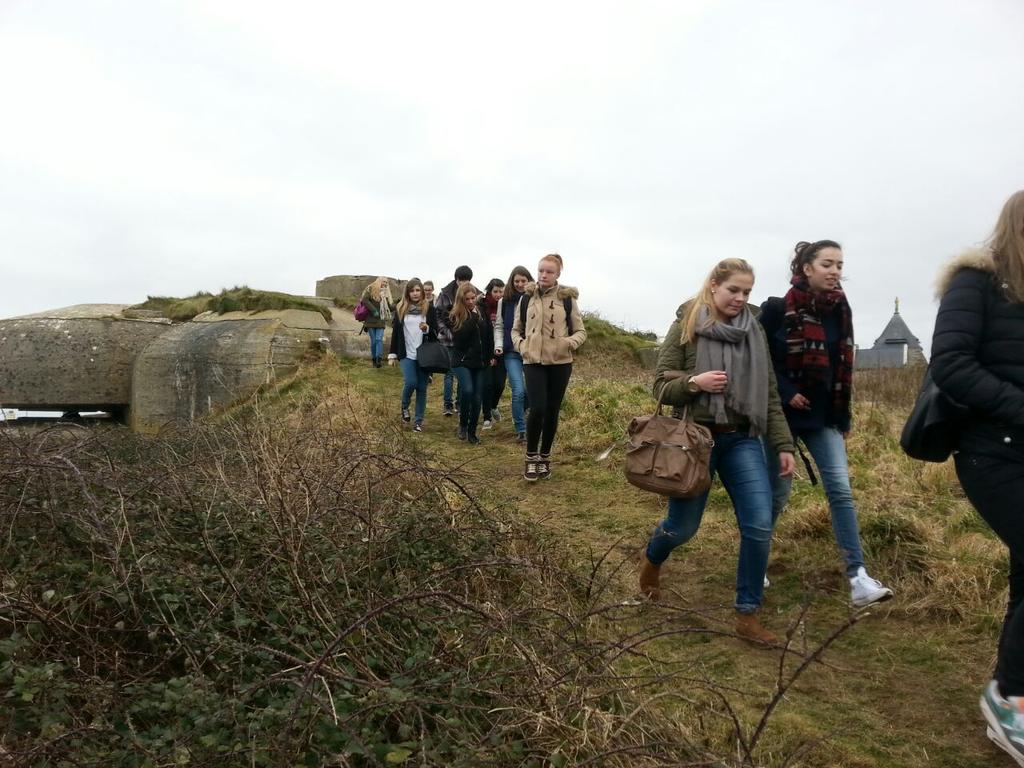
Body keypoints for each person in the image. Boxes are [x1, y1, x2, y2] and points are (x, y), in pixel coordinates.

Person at [639, 258, 795, 645]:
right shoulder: (687, 324)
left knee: (758, 524)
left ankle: (747, 613)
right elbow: (659, 387)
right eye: (733, 290)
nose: (740, 298)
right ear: (714, 285)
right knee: (682, 529)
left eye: (747, 292)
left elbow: (769, 394)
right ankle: (652, 559)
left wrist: (783, 445)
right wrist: (695, 383)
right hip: (694, 442)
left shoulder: (754, 330)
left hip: (743, 438)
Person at [930, 190, 1024, 764]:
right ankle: (1007, 698)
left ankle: (1012, 697)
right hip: (993, 453)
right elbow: (951, 363)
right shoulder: (977, 282)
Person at [759, 240, 893, 608]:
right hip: (781, 417)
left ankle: (858, 577)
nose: (835, 271)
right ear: (807, 269)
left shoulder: (841, 311)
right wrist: (787, 392)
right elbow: (758, 360)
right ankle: (756, 560)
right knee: (777, 494)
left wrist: (843, 416)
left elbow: (841, 368)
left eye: (839, 265)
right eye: (827, 264)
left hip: (824, 416)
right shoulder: (776, 310)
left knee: (841, 490)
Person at [511, 254, 586, 480]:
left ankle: (544, 457)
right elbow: (515, 330)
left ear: (558, 274)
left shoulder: (567, 298)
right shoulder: (526, 298)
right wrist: (522, 346)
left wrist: (567, 344)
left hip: (560, 363)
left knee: (552, 410)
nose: (543, 275)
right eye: (541, 270)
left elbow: (580, 331)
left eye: (549, 271)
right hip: (533, 361)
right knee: (537, 409)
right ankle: (530, 457)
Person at [387, 278, 438, 432]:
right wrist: (392, 354)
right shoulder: (401, 308)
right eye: (412, 291)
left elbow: (436, 333)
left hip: (424, 355)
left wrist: (427, 329)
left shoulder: (429, 309)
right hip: (406, 353)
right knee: (411, 382)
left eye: (417, 290)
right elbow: (396, 333)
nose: (415, 293)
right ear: (407, 293)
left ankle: (418, 422)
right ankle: (404, 407)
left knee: (422, 388)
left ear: (422, 292)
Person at [448, 282, 493, 444]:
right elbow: (460, 338)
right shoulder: (455, 315)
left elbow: (488, 334)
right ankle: (463, 425)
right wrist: (473, 317)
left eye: (473, 298)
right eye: (467, 299)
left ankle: (472, 432)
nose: (471, 301)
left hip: (480, 361)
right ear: (461, 300)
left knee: (477, 397)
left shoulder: (481, 312)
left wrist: (491, 355)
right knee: (467, 390)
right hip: (461, 360)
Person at [494, 266, 533, 441]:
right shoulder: (504, 302)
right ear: (511, 281)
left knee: (530, 390)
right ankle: (521, 429)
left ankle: (524, 411)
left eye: (523, 281)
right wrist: (498, 345)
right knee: (518, 390)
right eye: (516, 281)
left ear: (529, 281)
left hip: (531, 351)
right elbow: (499, 326)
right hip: (511, 351)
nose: (520, 284)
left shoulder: (535, 299)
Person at [434, 266, 473, 416]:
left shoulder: (472, 293)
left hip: (465, 340)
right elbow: (438, 315)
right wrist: (446, 332)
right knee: (449, 372)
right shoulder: (445, 294)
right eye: (461, 280)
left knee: (463, 372)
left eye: (466, 280)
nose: (463, 283)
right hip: (449, 339)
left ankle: (460, 403)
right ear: (456, 279)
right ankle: (447, 404)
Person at [477, 278, 506, 430]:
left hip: (502, 350)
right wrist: (490, 356)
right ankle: (487, 416)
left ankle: (493, 406)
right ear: (489, 291)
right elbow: (483, 331)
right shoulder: (482, 306)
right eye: (495, 291)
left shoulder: (506, 305)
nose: (498, 294)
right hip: (486, 350)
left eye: (501, 291)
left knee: (500, 384)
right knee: (487, 384)